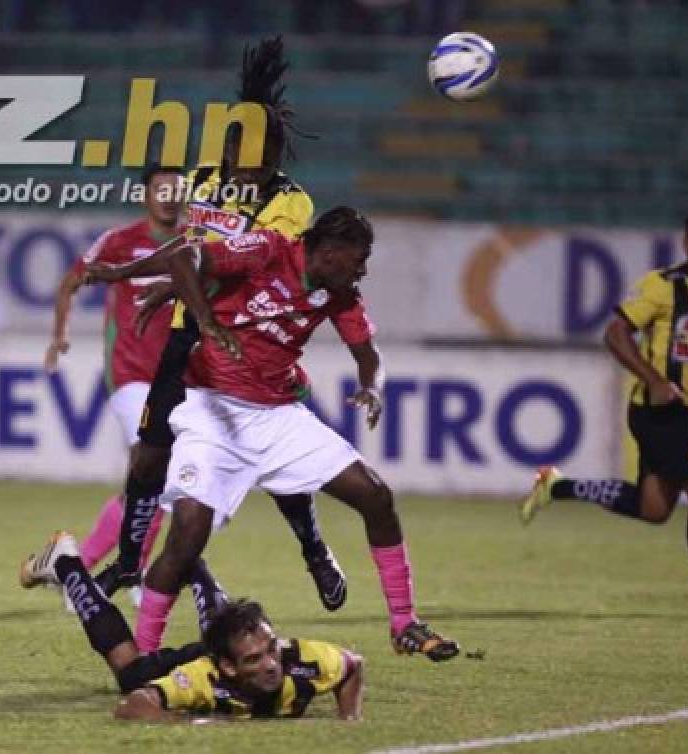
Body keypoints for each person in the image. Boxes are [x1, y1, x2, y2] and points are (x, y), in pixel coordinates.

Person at [88, 207, 459, 661]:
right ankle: (143, 658)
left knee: (375, 496)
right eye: (358, 258)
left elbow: (369, 356)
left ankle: (404, 623)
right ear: (330, 251)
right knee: (187, 536)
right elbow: (186, 256)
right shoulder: (267, 250)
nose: (362, 269)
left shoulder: (341, 295)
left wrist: (371, 388)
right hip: (211, 409)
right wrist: (203, 319)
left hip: (278, 417)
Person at [94, 36, 350, 618]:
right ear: (230, 147)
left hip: (253, 341)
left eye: (266, 151)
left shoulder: (292, 204)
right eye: (243, 146)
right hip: (190, 340)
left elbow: (250, 261)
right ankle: (130, 562)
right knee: (148, 457)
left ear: (278, 155)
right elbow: (193, 249)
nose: (253, 160)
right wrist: (167, 283)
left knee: (272, 464)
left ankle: (313, 549)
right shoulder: (202, 182)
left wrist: (177, 280)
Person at [521, 208, 688, 620]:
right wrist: (655, 379)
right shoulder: (662, 286)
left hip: (687, 412)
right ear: (685, 244)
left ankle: (557, 486)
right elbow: (615, 332)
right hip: (658, 411)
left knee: (654, 509)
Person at [20, 531, 365, 721]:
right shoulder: (203, 679)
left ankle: (190, 565)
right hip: (203, 659)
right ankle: (66, 564)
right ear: (227, 667)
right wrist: (192, 720)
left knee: (231, 625)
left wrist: (349, 717)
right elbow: (133, 706)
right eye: (256, 660)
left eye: (271, 651)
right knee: (129, 674)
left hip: (234, 645)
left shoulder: (304, 659)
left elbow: (353, 665)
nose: (272, 665)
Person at [44, 164, 187, 594]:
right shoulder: (120, 241)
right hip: (131, 376)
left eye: (176, 189)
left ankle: (77, 570)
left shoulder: (196, 244)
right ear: (145, 196)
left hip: (181, 379)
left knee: (155, 483)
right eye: (159, 189)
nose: (168, 196)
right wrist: (59, 335)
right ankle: (109, 575)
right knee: (155, 467)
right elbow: (71, 281)